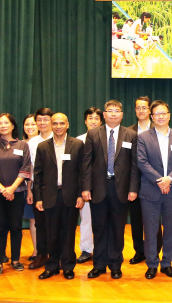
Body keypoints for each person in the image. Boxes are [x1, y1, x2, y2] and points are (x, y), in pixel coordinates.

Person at [82, 100, 140, 280]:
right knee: (99, 228)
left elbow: (134, 166)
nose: (113, 114)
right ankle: (98, 265)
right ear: (104, 115)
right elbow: (86, 164)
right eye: (110, 111)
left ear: (122, 114)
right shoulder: (92, 134)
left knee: (117, 228)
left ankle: (115, 264)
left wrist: (133, 189)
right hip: (98, 188)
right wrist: (85, 187)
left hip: (121, 189)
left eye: (117, 111)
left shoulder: (131, 135)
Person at [137, 100, 172, 279]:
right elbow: (142, 162)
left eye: (163, 113)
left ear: (169, 116)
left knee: (171, 229)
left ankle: (167, 263)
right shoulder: (143, 137)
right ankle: (151, 264)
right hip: (150, 190)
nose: (160, 117)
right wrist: (160, 181)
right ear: (152, 117)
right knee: (150, 229)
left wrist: (169, 179)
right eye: (157, 114)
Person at [34, 113, 85, 280]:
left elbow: (82, 173)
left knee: (68, 233)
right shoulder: (42, 147)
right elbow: (38, 174)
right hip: (49, 196)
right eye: (54, 123)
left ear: (67, 124)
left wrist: (80, 195)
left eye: (61, 123)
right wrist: (39, 198)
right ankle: (52, 266)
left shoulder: (77, 145)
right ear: (50, 124)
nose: (58, 126)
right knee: (51, 233)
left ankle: (68, 266)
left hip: (70, 196)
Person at [0, 113, 31, 276]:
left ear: (12, 125)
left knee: (16, 227)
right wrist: (3, 189)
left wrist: (11, 189)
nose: (3, 126)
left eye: (6, 123)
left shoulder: (23, 145)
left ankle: (15, 260)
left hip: (17, 193)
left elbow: (25, 170)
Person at [128, 96, 163, 264]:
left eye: (144, 108)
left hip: (154, 182)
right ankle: (139, 251)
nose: (141, 111)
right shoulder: (128, 132)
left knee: (153, 219)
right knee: (136, 220)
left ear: (150, 111)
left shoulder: (160, 129)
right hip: (135, 183)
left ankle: (155, 252)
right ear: (135, 111)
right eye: (138, 108)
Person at [27, 108, 55, 270]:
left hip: (58, 189)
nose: (42, 123)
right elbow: (30, 169)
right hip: (38, 188)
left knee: (57, 223)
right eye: (39, 120)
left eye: (46, 120)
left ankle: (56, 255)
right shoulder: (32, 143)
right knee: (40, 223)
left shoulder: (60, 138)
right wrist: (30, 190)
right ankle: (41, 255)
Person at [75, 107, 102, 264]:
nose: (93, 121)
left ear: (101, 120)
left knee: (104, 220)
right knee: (86, 218)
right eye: (90, 118)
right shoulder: (79, 141)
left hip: (103, 187)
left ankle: (102, 248)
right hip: (85, 187)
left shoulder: (108, 138)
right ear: (85, 121)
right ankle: (86, 249)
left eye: (96, 118)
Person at [22, 115, 39, 261]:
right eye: (27, 124)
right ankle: (36, 250)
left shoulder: (44, 142)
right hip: (23, 187)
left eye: (33, 124)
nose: (30, 127)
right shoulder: (20, 144)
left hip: (38, 187)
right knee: (32, 220)